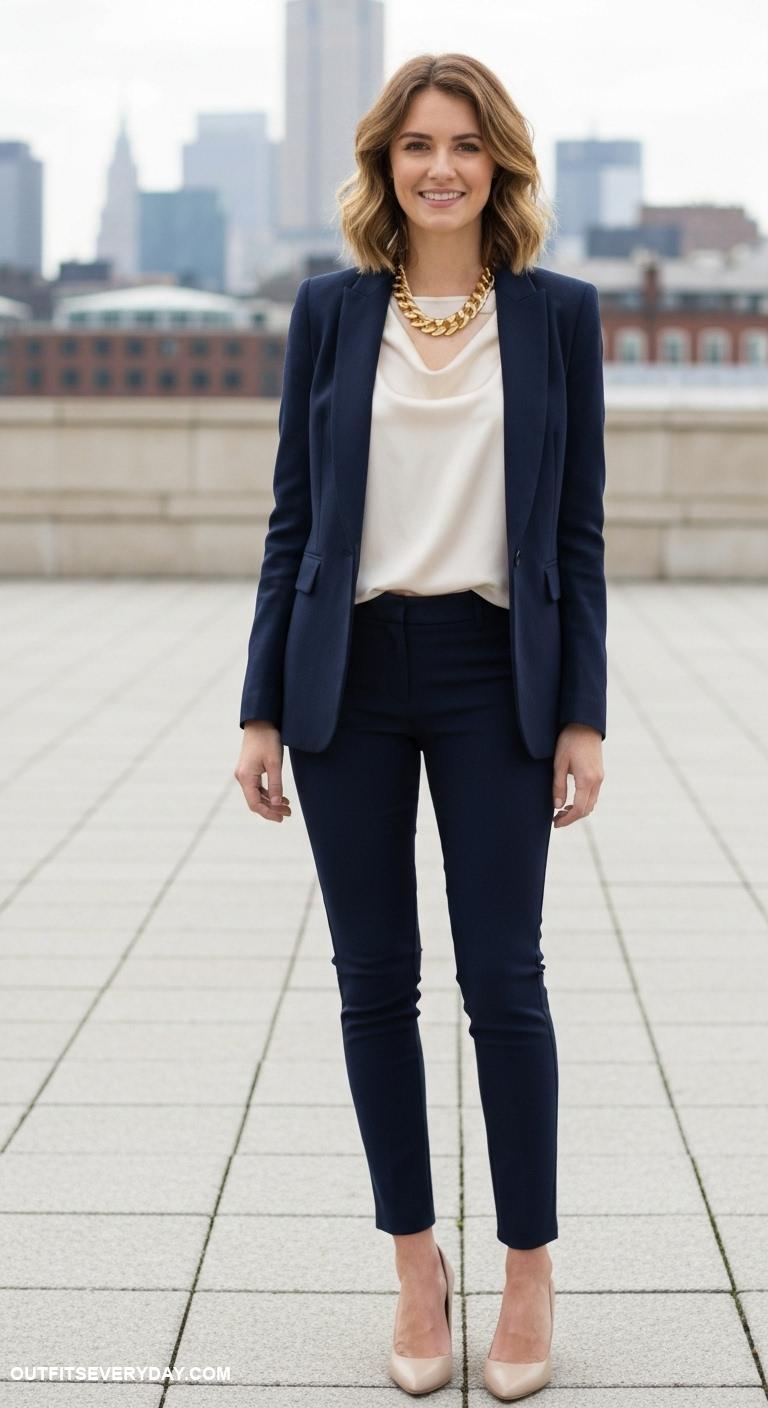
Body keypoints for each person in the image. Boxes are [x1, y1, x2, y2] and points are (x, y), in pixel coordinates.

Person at [235, 52, 606, 1402]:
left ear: (498, 162)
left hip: (495, 668)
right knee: (371, 981)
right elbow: (293, 522)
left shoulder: (558, 317)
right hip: (349, 677)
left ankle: (527, 1269)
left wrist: (585, 713)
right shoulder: (330, 315)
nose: (438, 166)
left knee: (505, 980)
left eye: (462, 144)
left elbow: (578, 531)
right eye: (414, 146)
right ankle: (414, 1264)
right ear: (383, 168)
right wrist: (260, 705)